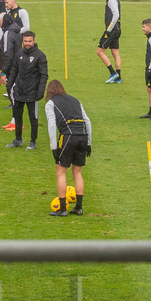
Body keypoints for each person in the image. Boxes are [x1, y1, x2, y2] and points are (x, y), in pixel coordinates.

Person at [44, 80, 91, 217]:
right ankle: (79, 208)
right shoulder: (76, 100)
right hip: (82, 136)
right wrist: (88, 143)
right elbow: (87, 121)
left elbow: (52, 125)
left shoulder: (50, 104)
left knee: (61, 171)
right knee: (77, 172)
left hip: (68, 136)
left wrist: (54, 148)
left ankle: (63, 209)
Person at [5, 31, 47, 150]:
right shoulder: (19, 53)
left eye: (29, 41)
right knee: (17, 116)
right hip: (19, 90)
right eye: (25, 41)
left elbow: (44, 75)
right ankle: (18, 139)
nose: (27, 43)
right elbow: (14, 70)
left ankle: (33, 141)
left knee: (33, 118)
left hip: (32, 92)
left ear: (33, 41)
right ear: (22, 41)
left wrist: (40, 91)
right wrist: (9, 85)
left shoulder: (40, 55)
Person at [96, 0, 123, 83]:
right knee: (115, 52)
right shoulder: (112, 0)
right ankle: (118, 77)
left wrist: (109, 29)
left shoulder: (111, 0)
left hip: (112, 30)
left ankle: (113, 73)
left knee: (99, 51)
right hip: (117, 29)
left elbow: (116, 15)